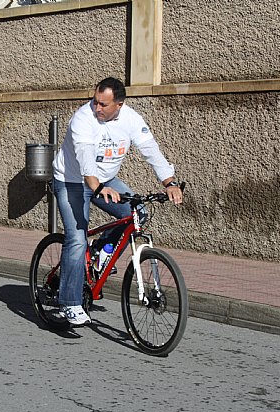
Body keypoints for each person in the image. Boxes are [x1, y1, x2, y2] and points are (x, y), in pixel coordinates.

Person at [51, 77, 183, 326]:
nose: (96, 108)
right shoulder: (83, 118)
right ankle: (69, 302)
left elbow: (150, 149)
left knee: (137, 213)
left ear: (119, 104)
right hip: (72, 181)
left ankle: (102, 251)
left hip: (105, 180)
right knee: (77, 239)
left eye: (103, 104)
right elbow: (85, 157)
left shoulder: (131, 119)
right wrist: (98, 187)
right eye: (95, 101)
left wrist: (169, 182)